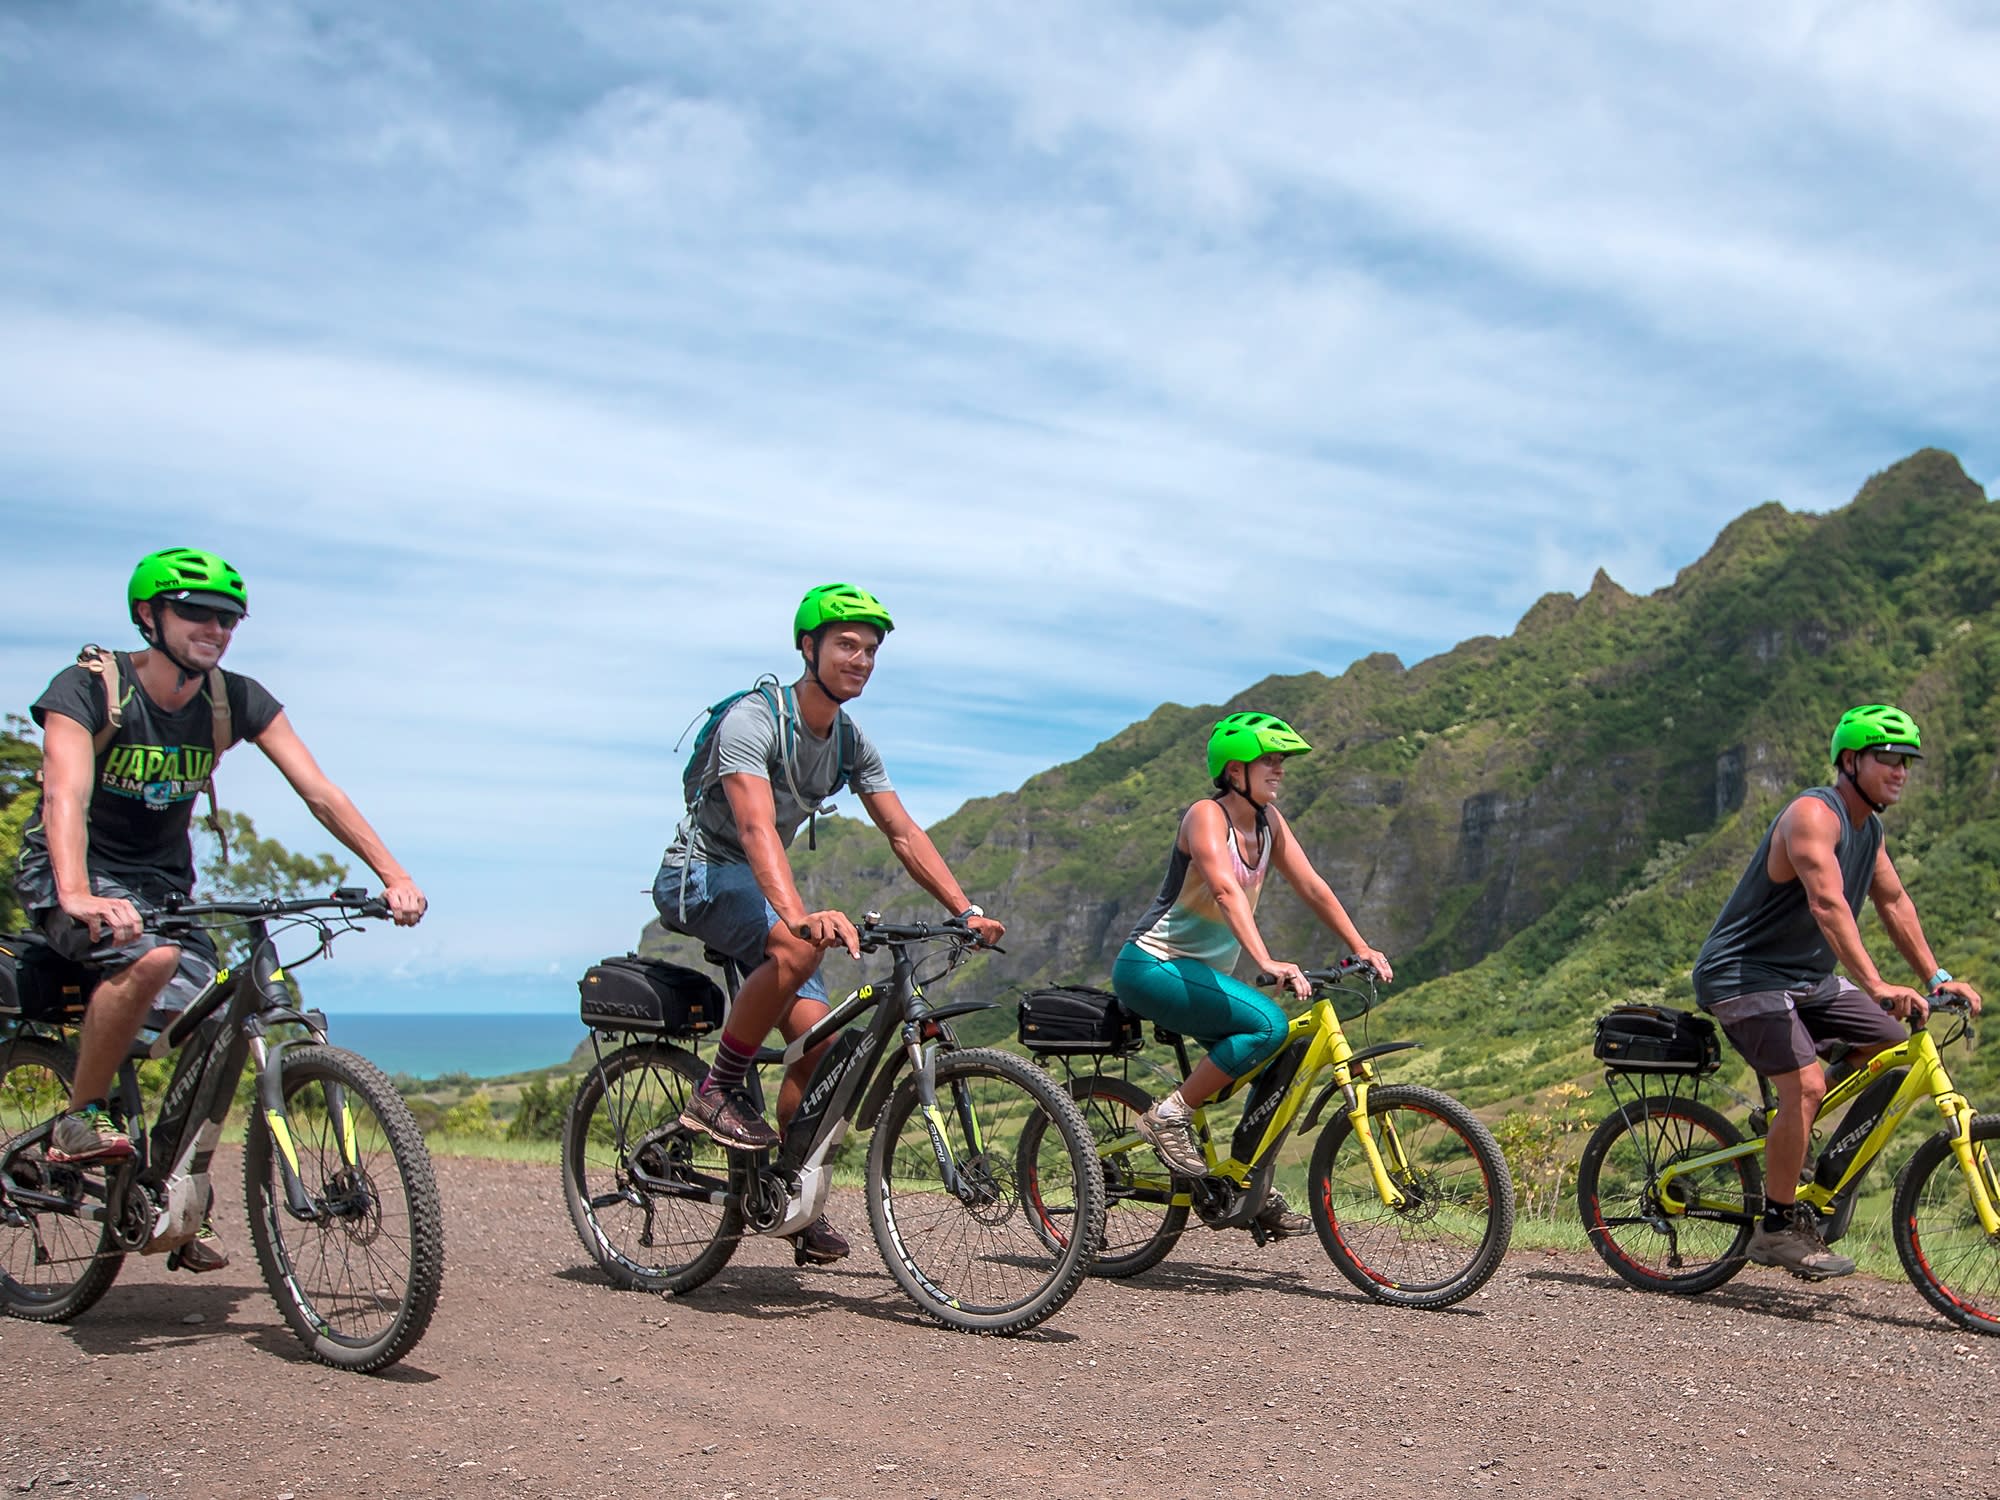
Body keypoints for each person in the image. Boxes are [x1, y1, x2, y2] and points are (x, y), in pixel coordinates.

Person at [15, 547, 427, 1270]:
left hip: (163, 889)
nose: (215, 627)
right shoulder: (90, 688)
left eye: (228, 617)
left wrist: (393, 874)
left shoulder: (232, 699)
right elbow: (64, 796)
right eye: (197, 613)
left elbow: (319, 791)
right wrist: (79, 893)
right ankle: (78, 1120)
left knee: (216, 1015)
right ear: (150, 616)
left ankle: (171, 1185)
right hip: (68, 871)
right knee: (153, 960)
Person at [653, 583, 1005, 1265]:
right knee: (794, 946)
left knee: (817, 1049)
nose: (861, 658)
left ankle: (788, 1196)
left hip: (754, 886)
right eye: (847, 644)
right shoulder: (757, 720)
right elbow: (756, 828)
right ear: (807, 647)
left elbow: (901, 830)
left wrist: (964, 909)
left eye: (871, 649)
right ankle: (716, 1090)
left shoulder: (847, 739)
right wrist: (797, 916)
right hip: (698, 875)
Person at [1692, 704, 1981, 1278]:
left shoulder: (1867, 829)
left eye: (1907, 762)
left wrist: (1936, 977)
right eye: (1888, 759)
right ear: (1850, 761)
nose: (1900, 771)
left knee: (1889, 1050)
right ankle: (1775, 1230)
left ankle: (1814, 1165)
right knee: (1801, 1085)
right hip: (1745, 975)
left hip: (1808, 982)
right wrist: (1875, 983)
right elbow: (1827, 903)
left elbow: (1893, 902)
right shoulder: (1812, 816)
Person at [1112, 711, 1392, 1236]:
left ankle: (1246, 1182)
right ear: (1235, 769)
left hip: (1196, 974)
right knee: (1267, 1025)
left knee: (1281, 1057)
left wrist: (1360, 946)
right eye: (1270, 760)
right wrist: (1265, 961)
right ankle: (1167, 1115)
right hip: (1152, 965)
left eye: (1282, 761)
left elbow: (1312, 886)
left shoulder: (1270, 825)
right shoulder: (1205, 816)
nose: (1279, 769)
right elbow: (1224, 889)